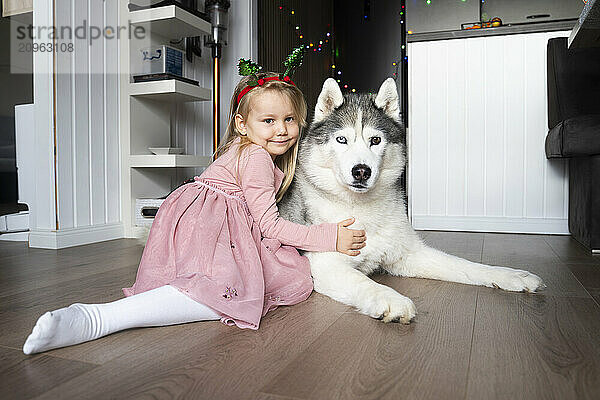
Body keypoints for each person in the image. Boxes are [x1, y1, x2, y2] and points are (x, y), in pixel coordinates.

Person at [22, 70, 367, 355]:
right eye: (269, 120)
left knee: (248, 277)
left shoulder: (242, 147)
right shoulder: (258, 158)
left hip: (192, 222)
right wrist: (329, 236)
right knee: (269, 281)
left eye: (290, 119)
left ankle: (113, 314)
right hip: (214, 227)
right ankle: (102, 318)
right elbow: (269, 225)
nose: (282, 129)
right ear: (243, 124)